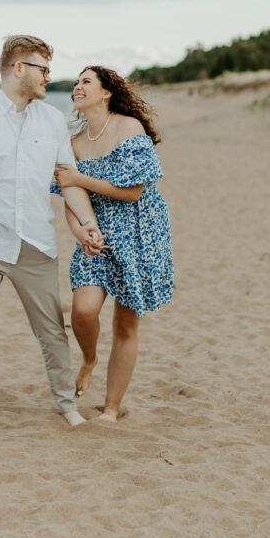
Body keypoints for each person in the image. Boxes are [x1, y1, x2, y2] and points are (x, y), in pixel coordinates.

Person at [0, 36, 105, 444]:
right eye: (43, 68)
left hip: (36, 244)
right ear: (18, 68)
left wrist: (87, 221)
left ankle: (66, 405)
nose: (50, 76)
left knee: (51, 332)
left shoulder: (53, 120)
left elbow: (67, 180)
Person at [52, 66, 173, 422]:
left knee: (125, 324)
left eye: (86, 81)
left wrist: (80, 176)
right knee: (83, 312)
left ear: (106, 92)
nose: (77, 86)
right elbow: (70, 199)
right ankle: (89, 359)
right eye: (75, 82)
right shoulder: (72, 144)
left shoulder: (128, 128)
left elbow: (134, 192)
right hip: (97, 235)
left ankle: (111, 408)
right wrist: (79, 232)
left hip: (141, 232)